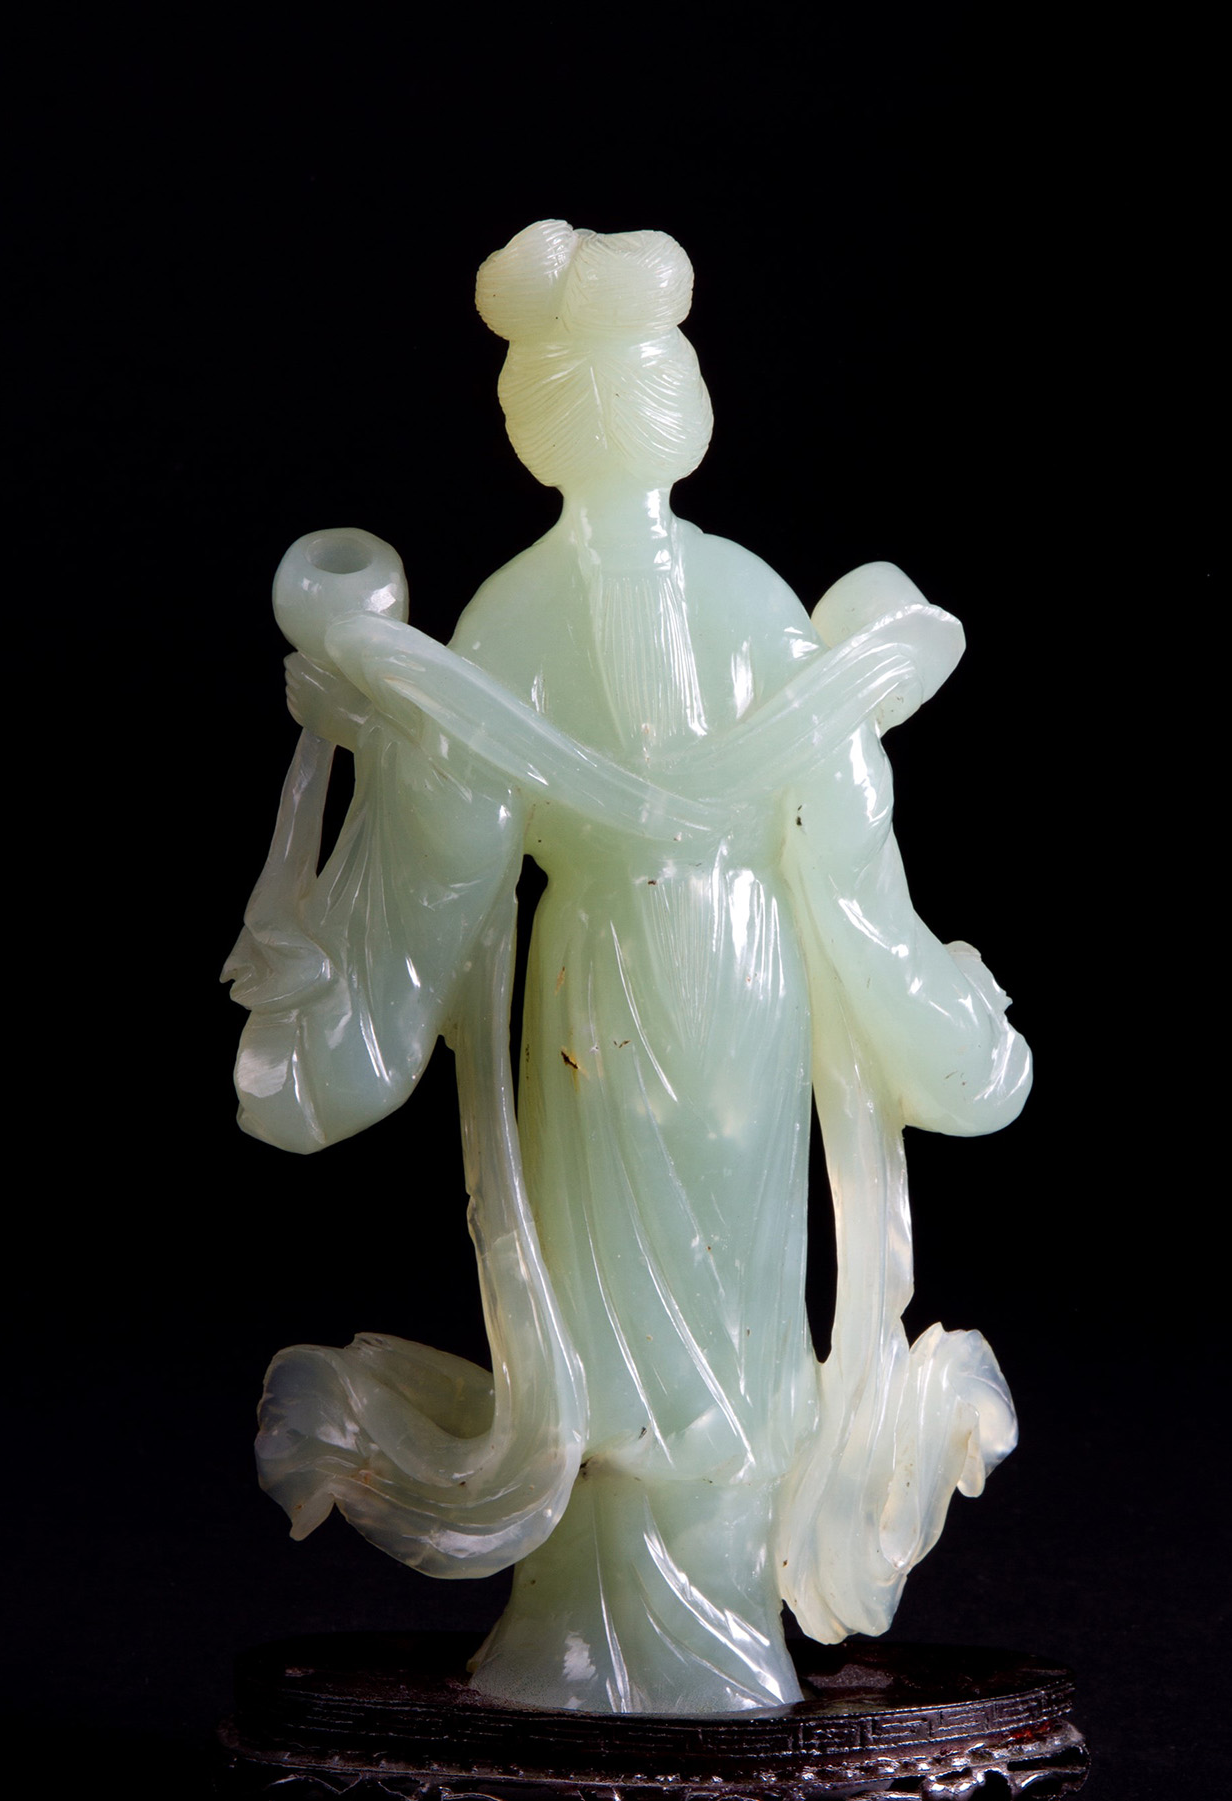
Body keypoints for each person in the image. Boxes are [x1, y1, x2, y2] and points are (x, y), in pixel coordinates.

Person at [227, 222, 1030, 1714]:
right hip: (659, 976)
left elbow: (469, 853)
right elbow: (830, 849)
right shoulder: (694, 611)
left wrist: (390, 738)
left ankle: (675, 1636)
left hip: (681, 978)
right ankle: (610, 1639)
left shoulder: (564, 619)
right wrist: (385, 718)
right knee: (634, 1321)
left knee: (706, 1316)